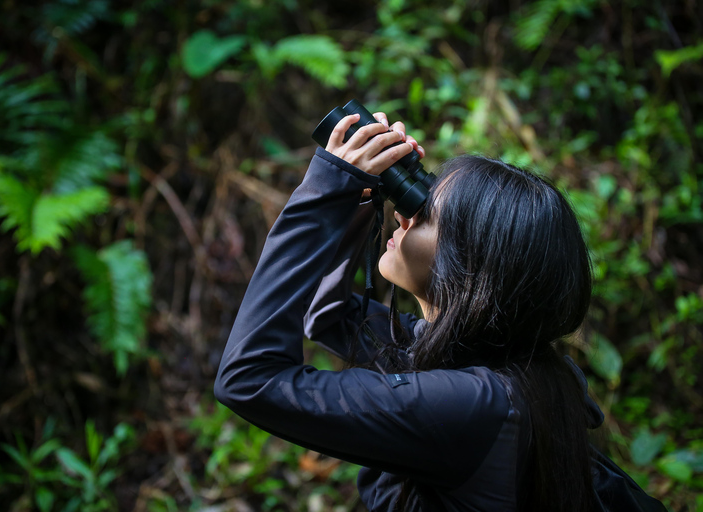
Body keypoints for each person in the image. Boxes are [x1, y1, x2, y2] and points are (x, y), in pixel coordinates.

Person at [214, 110, 665, 511]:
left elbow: (249, 379)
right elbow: (325, 312)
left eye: (424, 215)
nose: (401, 215)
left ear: (472, 268)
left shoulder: (475, 405)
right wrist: (354, 196)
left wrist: (323, 189)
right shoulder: (494, 360)